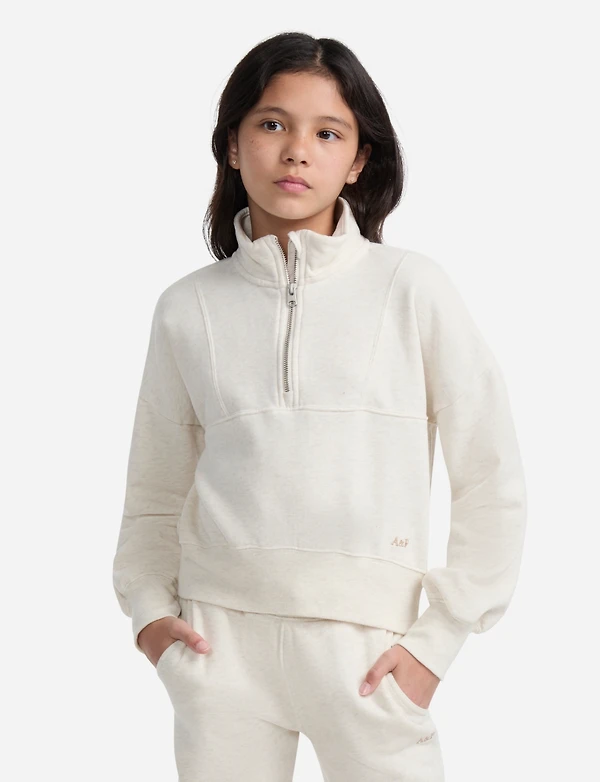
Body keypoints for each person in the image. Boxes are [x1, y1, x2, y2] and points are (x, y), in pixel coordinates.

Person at [112, 31, 527, 782]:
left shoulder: (412, 289)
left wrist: (438, 642)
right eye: (272, 124)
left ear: (360, 159)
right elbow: (154, 489)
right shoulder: (186, 308)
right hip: (217, 647)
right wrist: (150, 618)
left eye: (328, 133)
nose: (297, 151)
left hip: (369, 654)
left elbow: (490, 475)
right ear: (232, 145)